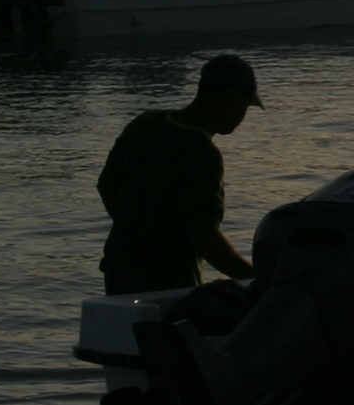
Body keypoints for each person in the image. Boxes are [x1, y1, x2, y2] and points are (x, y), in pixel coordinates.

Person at [96, 54, 262, 294]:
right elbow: (203, 234)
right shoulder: (202, 152)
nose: (243, 115)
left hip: (119, 269)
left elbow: (107, 186)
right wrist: (254, 279)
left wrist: (135, 229)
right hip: (168, 281)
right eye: (246, 105)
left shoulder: (144, 124)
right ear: (231, 97)